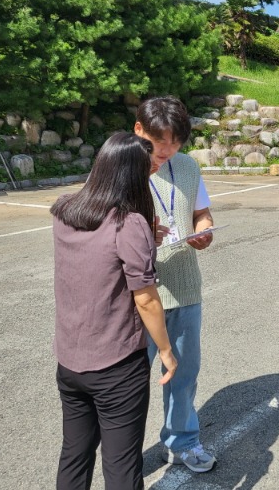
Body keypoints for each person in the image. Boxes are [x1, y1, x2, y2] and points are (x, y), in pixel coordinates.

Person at [51, 132, 178, 490]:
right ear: (132, 176)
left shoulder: (66, 210)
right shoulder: (129, 222)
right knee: (122, 467)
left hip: (70, 360)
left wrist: (145, 243)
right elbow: (146, 298)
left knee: (74, 455)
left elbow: (97, 256)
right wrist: (166, 352)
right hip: (117, 366)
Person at [133, 96, 217, 473]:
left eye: (175, 142)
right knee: (131, 383)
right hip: (138, 293)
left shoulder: (187, 167)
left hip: (184, 285)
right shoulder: (123, 166)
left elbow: (201, 213)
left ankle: (182, 442)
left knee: (183, 373)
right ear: (139, 131)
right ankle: (124, 453)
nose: (166, 150)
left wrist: (203, 231)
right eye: (158, 141)